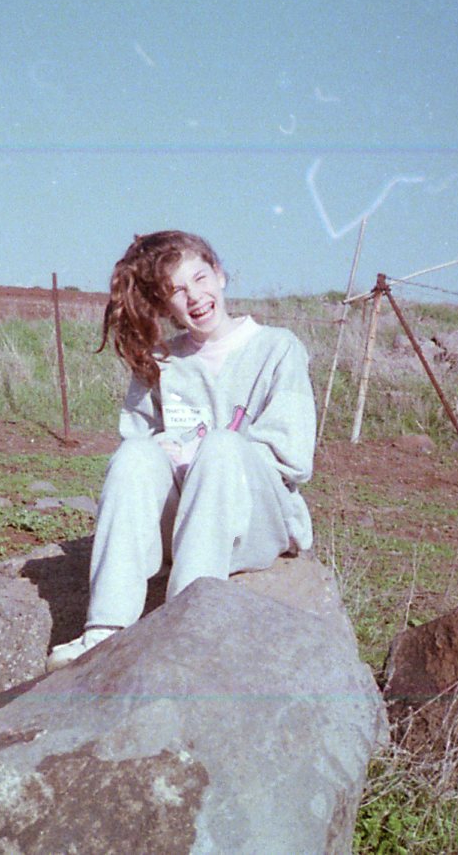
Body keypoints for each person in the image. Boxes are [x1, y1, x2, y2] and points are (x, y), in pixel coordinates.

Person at [46, 230, 316, 670]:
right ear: (164, 304)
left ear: (220, 275)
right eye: (176, 290)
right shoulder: (162, 361)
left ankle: (185, 628)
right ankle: (105, 629)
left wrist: (195, 452)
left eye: (200, 279)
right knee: (135, 456)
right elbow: (136, 445)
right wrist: (158, 447)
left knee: (223, 446)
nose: (194, 297)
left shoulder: (277, 348)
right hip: (183, 525)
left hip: (253, 521)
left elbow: (293, 457)